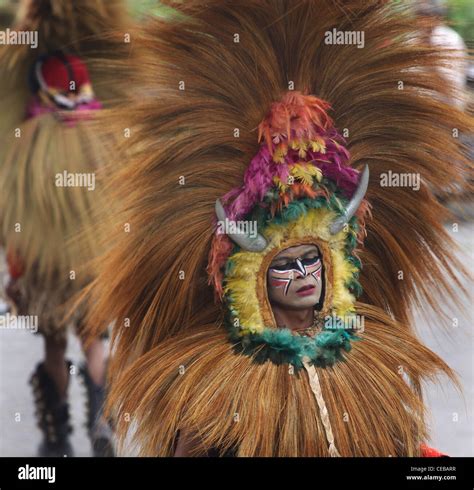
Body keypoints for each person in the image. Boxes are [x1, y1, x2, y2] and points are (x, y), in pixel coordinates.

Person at [83, 0, 472, 456]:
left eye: (312, 259)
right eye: (287, 264)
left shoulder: (372, 362)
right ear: (256, 276)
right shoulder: (215, 385)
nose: (305, 273)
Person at [0, 0, 130, 457]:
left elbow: (13, 214)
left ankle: (55, 441)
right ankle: (102, 423)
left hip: (44, 263)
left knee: (55, 346)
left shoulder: (29, 128)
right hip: (92, 259)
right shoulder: (102, 131)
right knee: (95, 337)